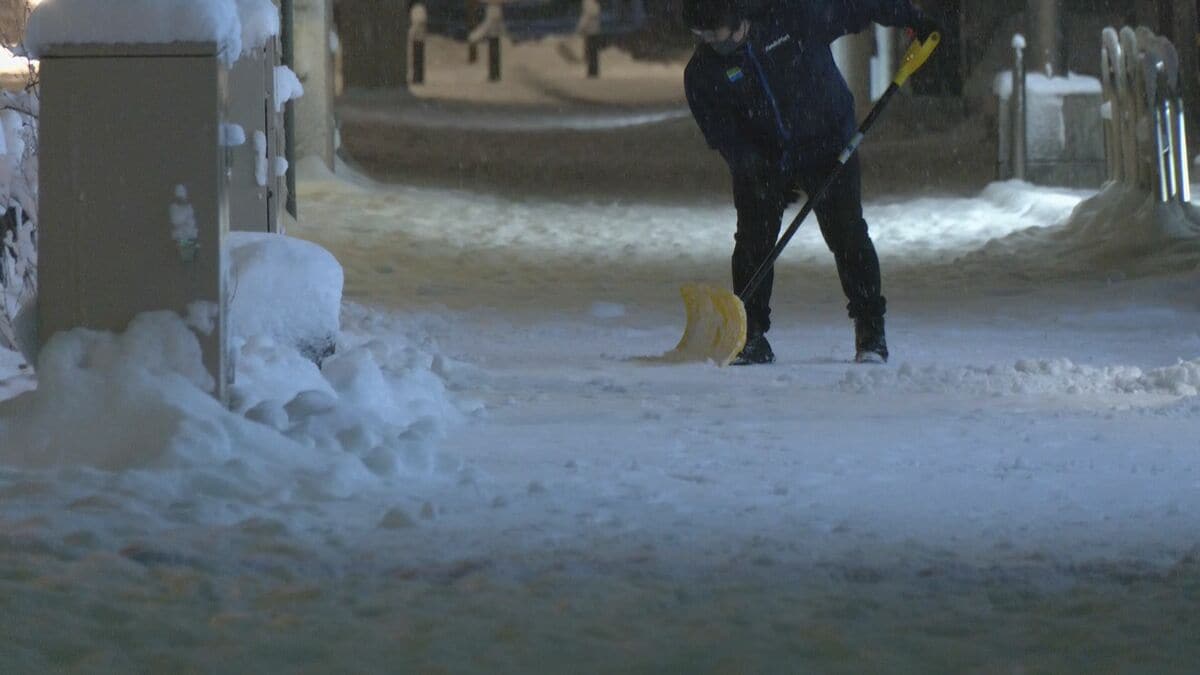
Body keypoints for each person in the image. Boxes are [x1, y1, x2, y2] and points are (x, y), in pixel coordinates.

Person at [681, 0, 939, 364]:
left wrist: (912, 18)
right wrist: (753, 168)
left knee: (847, 234)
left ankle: (870, 332)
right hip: (766, 158)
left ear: (741, 19)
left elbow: (859, 7)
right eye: (702, 36)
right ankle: (750, 334)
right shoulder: (703, 73)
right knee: (754, 239)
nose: (712, 42)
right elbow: (725, 135)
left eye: (718, 33)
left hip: (828, 144)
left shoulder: (791, 18)